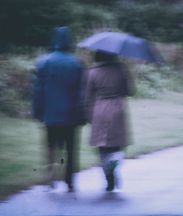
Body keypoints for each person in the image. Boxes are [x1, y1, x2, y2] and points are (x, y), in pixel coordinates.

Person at [32, 26, 85, 192]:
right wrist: (82, 114)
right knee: (71, 149)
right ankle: (69, 181)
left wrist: (37, 111)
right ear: (69, 42)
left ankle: (50, 178)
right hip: (71, 115)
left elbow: (38, 90)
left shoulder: (43, 62)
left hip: (50, 114)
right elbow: (81, 92)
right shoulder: (77, 63)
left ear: (54, 40)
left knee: (51, 146)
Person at [85, 50, 135, 192]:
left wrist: (88, 115)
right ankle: (115, 162)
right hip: (117, 109)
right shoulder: (121, 69)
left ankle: (109, 180)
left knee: (102, 146)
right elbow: (130, 91)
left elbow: (88, 96)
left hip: (99, 109)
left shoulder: (92, 72)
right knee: (117, 143)